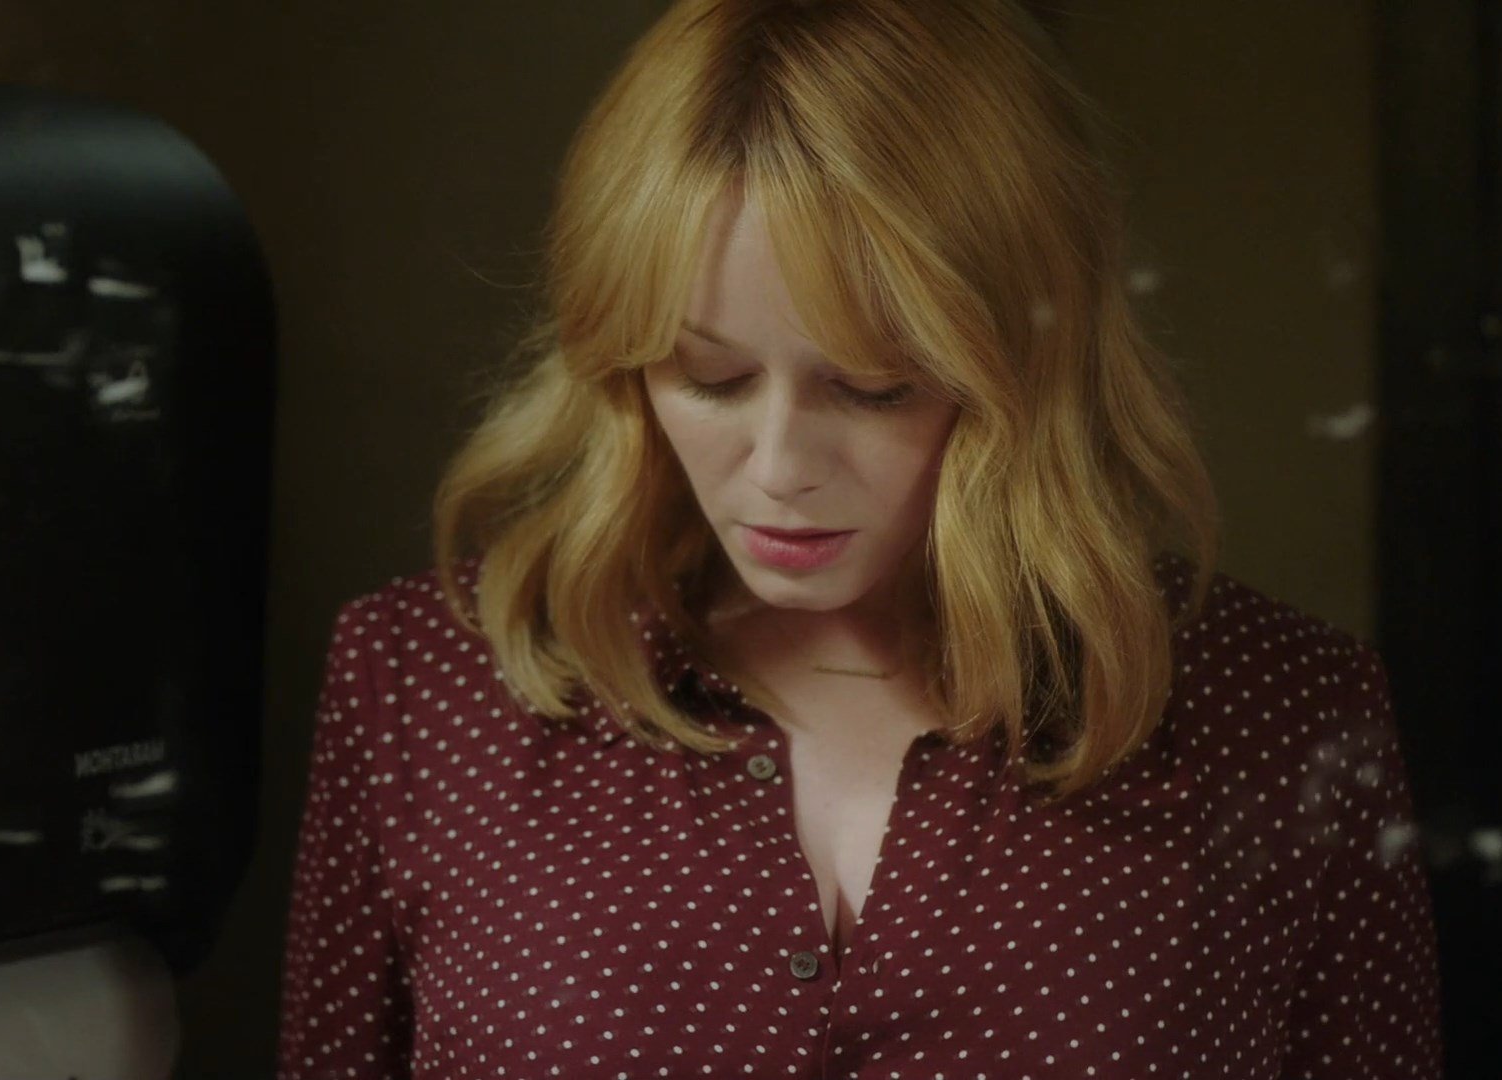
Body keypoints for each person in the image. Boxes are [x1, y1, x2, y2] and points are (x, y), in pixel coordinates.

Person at [277, 0, 1442, 1075]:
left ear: (1025, 366)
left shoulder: (1285, 713)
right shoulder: (422, 681)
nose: (780, 469)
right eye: (710, 377)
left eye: (876, 388)